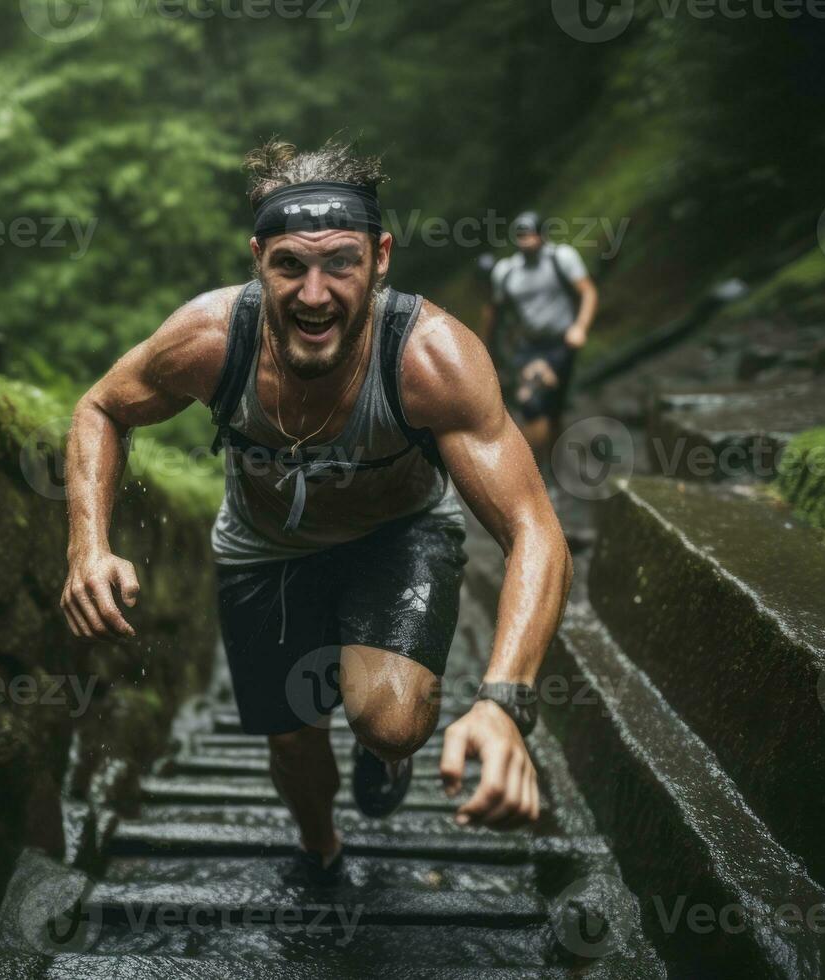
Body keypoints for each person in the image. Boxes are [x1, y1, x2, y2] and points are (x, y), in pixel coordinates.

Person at [61, 140, 572, 888]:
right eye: (289, 266)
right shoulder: (210, 338)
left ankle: (384, 751)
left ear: (381, 257)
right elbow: (102, 407)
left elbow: (535, 531)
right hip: (263, 549)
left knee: (391, 718)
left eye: (341, 262)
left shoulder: (431, 360)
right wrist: (87, 546)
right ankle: (321, 852)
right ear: (257, 257)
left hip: (396, 538)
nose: (313, 293)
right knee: (293, 742)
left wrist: (502, 703)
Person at [482, 212, 598, 466]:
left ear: (543, 234)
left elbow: (588, 291)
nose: (526, 241)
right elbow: (495, 312)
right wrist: (487, 350)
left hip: (562, 344)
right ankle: (535, 473)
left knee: (553, 408)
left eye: (531, 234)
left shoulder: (561, 258)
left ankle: (554, 468)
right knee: (531, 402)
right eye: (521, 235)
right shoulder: (506, 272)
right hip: (529, 347)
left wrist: (580, 327)